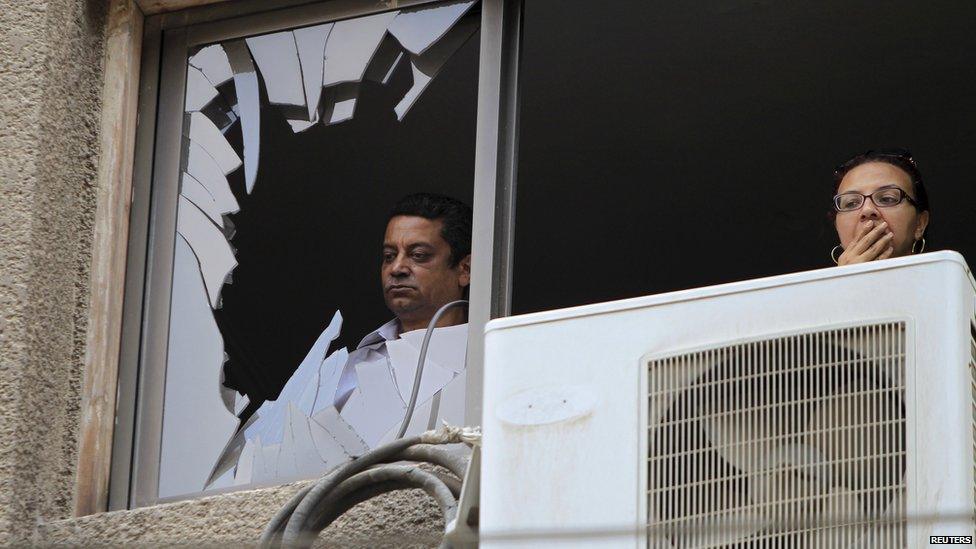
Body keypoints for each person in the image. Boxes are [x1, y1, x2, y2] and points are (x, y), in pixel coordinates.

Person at [207, 193, 473, 488]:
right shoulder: (346, 368)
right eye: (388, 256)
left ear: (465, 270)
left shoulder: (486, 364)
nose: (397, 268)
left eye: (418, 255)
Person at [830, 149, 930, 266]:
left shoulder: (950, 281)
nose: (867, 210)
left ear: (920, 224)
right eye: (851, 203)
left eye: (887, 199)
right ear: (837, 227)